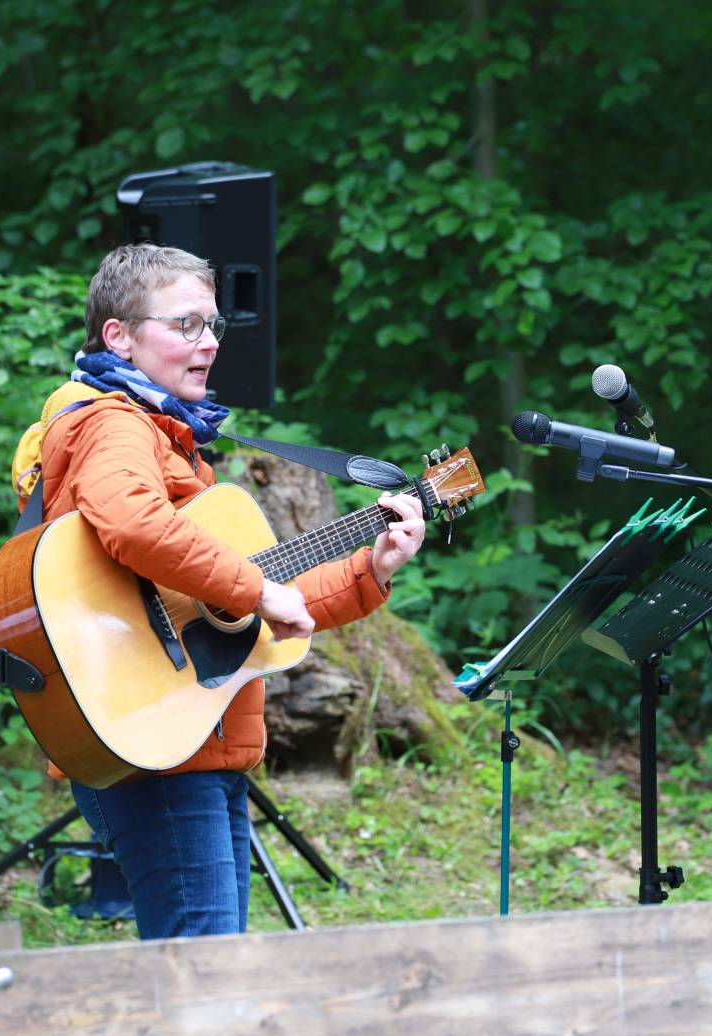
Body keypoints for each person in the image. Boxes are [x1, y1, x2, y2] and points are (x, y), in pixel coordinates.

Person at [23, 243, 426, 939]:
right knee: (201, 973)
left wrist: (373, 569)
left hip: (190, 741)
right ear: (119, 336)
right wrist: (257, 590)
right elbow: (134, 523)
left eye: (212, 325)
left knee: (208, 968)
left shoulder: (167, 436)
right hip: (160, 754)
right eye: (185, 324)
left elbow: (256, 614)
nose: (208, 342)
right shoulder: (112, 422)